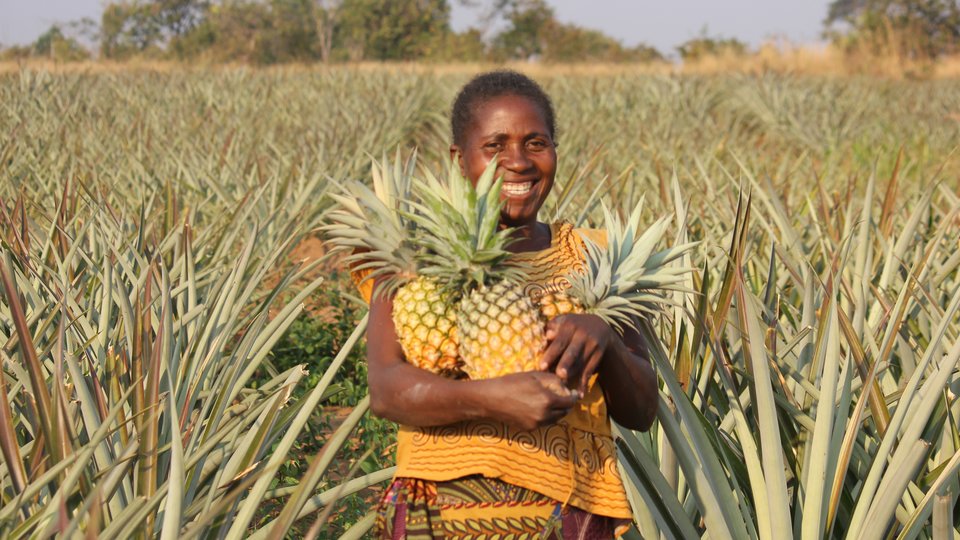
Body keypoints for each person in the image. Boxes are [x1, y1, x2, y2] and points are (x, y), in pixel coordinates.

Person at [361, 70, 658, 539]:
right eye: (495, 146)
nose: (518, 162)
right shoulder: (414, 256)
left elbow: (642, 411)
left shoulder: (597, 254)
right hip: (440, 511)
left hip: (572, 511)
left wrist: (608, 343)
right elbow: (386, 389)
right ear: (460, 159)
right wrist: (490, 399)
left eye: (536, 142)